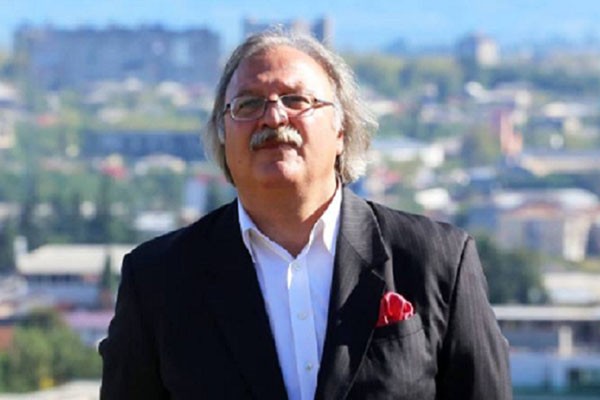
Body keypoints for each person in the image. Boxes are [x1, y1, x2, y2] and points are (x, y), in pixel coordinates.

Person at [100, 30, 512, 400]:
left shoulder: (436, 260)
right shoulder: (158, 280)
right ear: (223, 136)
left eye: (296, 100)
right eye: (248, 104)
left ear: (341, 130)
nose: (274, 117)